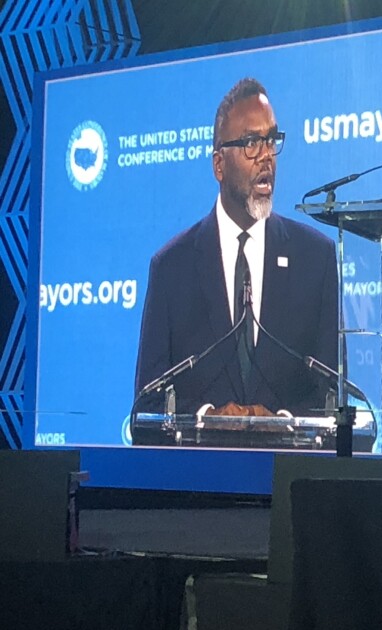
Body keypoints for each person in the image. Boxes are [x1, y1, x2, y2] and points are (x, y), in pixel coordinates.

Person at [135, 78, 338, 417]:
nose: (267, 156)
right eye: (250, 143)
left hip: (288, 468)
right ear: (219, 165)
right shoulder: (172, 267)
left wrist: (283, 424)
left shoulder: (315, 259)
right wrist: (206, 418)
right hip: (202, 467)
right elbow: (146, 408)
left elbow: (332, 398)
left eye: (271, 140)